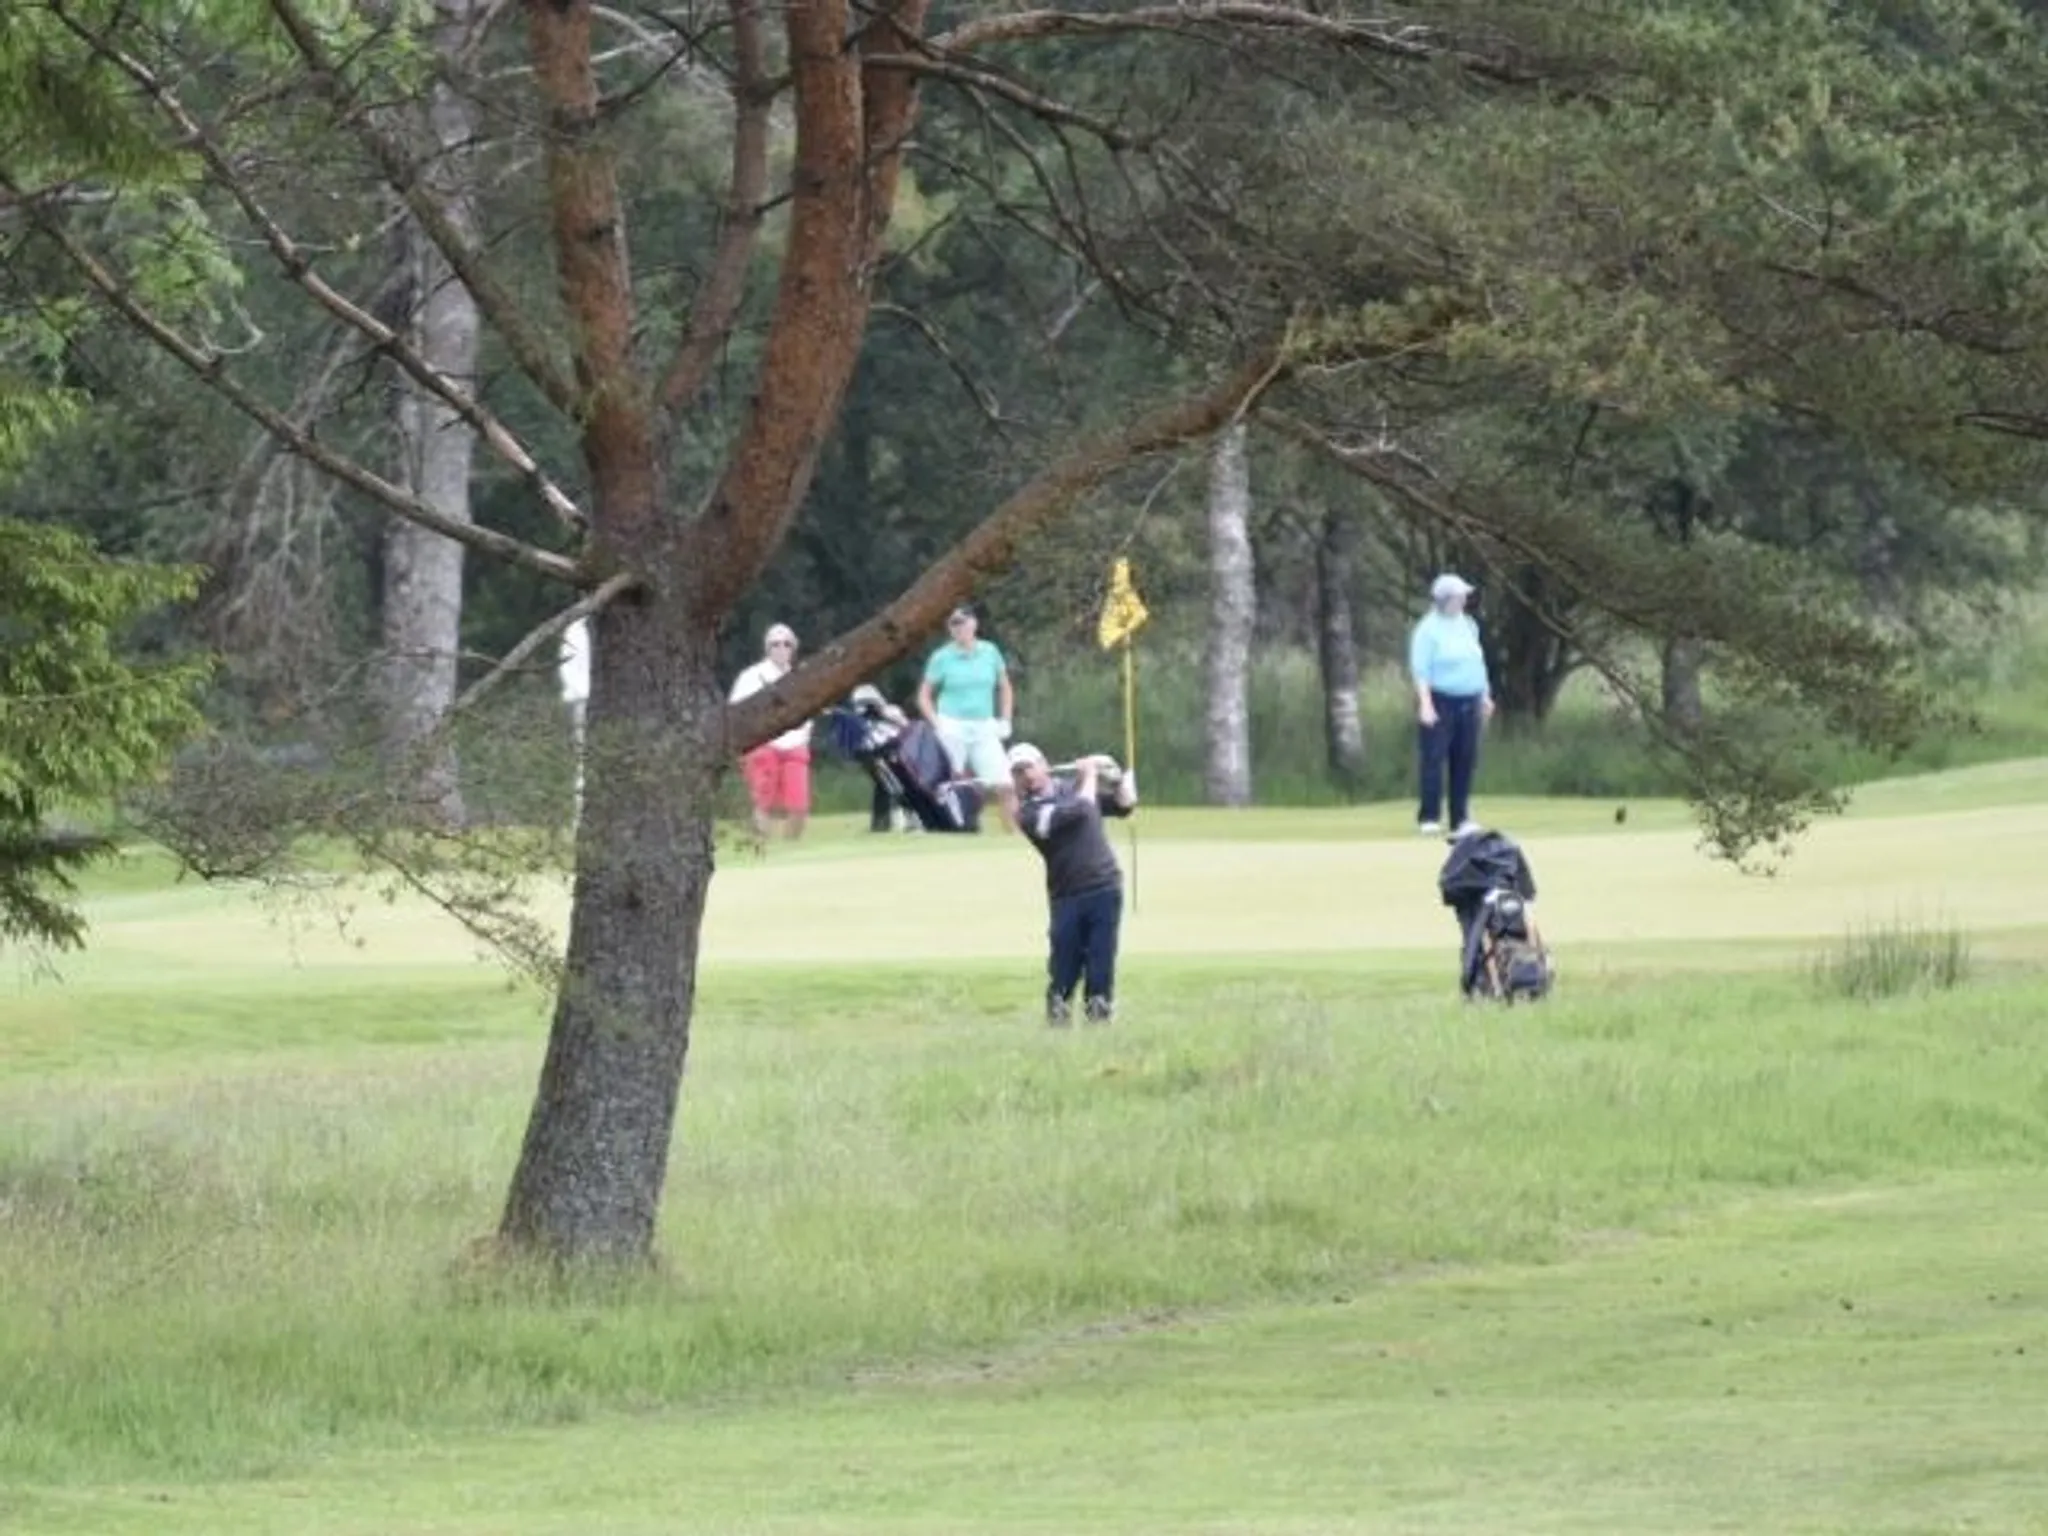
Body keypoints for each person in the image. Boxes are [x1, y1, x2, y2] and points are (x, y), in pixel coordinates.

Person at [1008, 742, 1138, 1026]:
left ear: (1044, 764)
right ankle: (1058, 1019)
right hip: (1066, 895)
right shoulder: (1028, 814)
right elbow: (1081, 810)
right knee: (1064, 966)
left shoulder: (1071, 788)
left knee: (1101, 961)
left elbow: (1124, 806)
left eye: (1030, 767)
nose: (1027, 776)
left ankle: (1099, 1018)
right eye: (1018, 772)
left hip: (1104, 885)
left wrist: (1118, 781)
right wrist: (1089, 775)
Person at [1409, 572, 1495, 838]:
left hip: (1470, 698)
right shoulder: (1428, 629)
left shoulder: (1468, 624)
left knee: (1465, 758)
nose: (1463, 601)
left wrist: (1484, 695)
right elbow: (1421, 669)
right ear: (1444, 600)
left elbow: (1476, 663)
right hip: (1440, 699)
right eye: (1459, 596)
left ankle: (1461, 818)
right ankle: (1430, 816)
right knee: (1434, 758)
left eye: (1464, 596)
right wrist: (1425, 704)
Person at [918, 604, 1017, 831]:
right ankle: (960, 829)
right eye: (953, 624)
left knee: (1005, 783)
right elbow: (924, 696)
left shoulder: (990, 651)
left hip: (984, 725)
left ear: (974, 624)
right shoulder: (942, 657)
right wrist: (937, 723)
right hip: (952, 725)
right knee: (955, 782)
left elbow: (1005, 687)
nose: (958, 628)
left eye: (962, 622)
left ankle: (1015, 835)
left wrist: (1006, 719)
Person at [728, 622, 812, 840]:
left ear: (793, 648)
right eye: (775, 644)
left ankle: (791, 847)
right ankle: (761, 846)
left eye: (786, 644)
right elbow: (736, 710)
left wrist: (804, 736)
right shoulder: (752, 676)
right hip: (763, 744)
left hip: (794, 743)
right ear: (767, 648)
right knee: (763, 801)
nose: (781, 649)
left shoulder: (801, 675)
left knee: (799, 805)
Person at [558, 615, 592, 820]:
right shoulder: (578, 628)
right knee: (586, 763)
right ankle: (584, 817)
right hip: (585, 700)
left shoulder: (576, 628)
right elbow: (568, 668)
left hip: (584, 697)